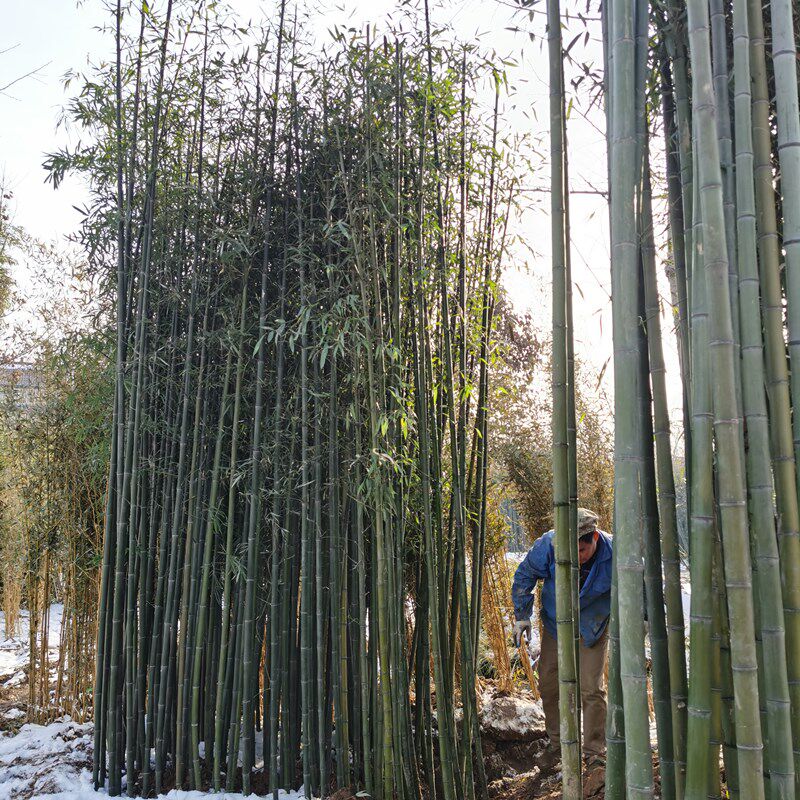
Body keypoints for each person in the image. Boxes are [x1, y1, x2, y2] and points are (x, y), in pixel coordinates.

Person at [511, 507, 612, 767]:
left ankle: (595, 751)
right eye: (571, 552)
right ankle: (558, 744)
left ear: (595, 538)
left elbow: (639, 581)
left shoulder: (615, 551)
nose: (577, 558)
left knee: (591, 688)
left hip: (593, 626)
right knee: (549, 684)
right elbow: (525, 574)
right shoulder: (549, 544)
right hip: (557, 624)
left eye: (582, 551)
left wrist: (642, 617)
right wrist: (522, 615)